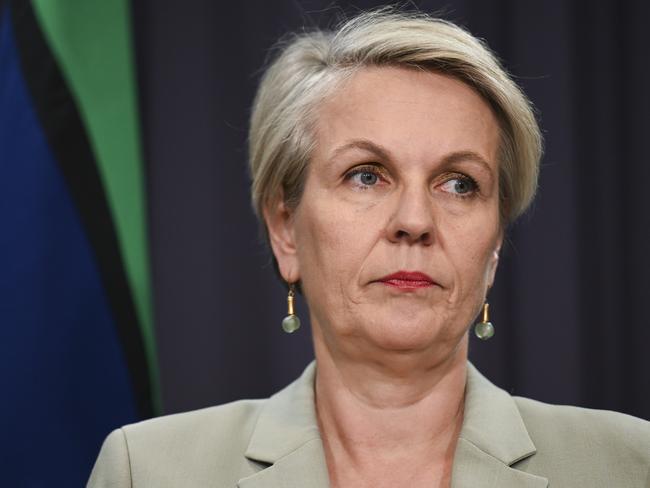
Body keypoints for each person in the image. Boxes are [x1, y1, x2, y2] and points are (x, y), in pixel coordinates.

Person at [88, 8, 650, 488]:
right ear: (285, 228)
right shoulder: (150, 471)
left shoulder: (629, 464)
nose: (414, 221)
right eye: (366, 175)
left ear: (495, 243)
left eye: (459, 183)